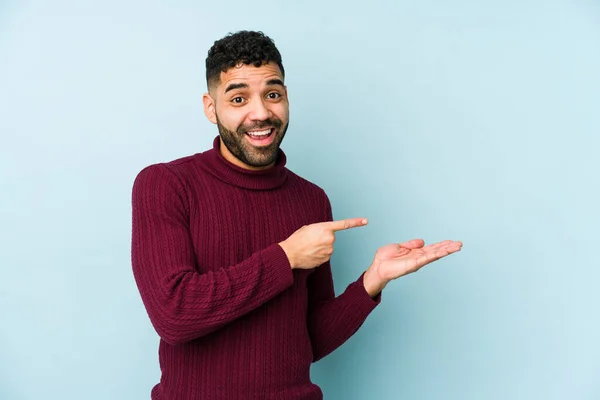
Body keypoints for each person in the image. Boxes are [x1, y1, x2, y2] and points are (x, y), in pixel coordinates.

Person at [131, 30, 462, 400]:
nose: (260, 113)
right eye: (238, 98)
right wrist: (286, 257)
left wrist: (372, 281)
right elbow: (174, 315)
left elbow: (308, 342)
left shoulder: (311, 200)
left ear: (285, 98)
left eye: (272, 94)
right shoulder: (165, 184)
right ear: (212, 108)